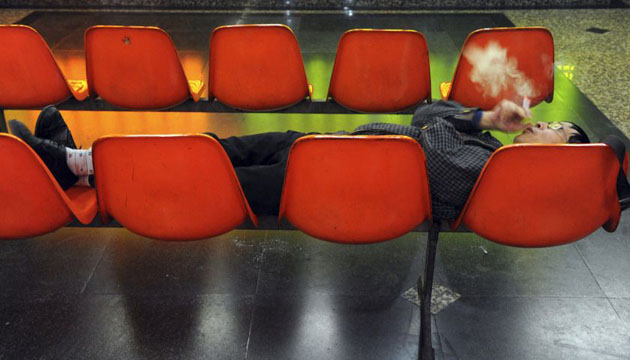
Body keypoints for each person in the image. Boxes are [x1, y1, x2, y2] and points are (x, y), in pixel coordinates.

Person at [8, 100, 590, 221]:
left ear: (558, 163)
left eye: (555, 131)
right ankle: (79, 158)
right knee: (213, 147)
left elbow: (427, 140)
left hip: (327, 182)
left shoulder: (484, 172)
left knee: (204, 176)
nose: (542, 123)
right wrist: (485, 119)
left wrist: (472, 124)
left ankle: (73, 166)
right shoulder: (488, 148)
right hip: (321, 152)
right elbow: (422, 113)